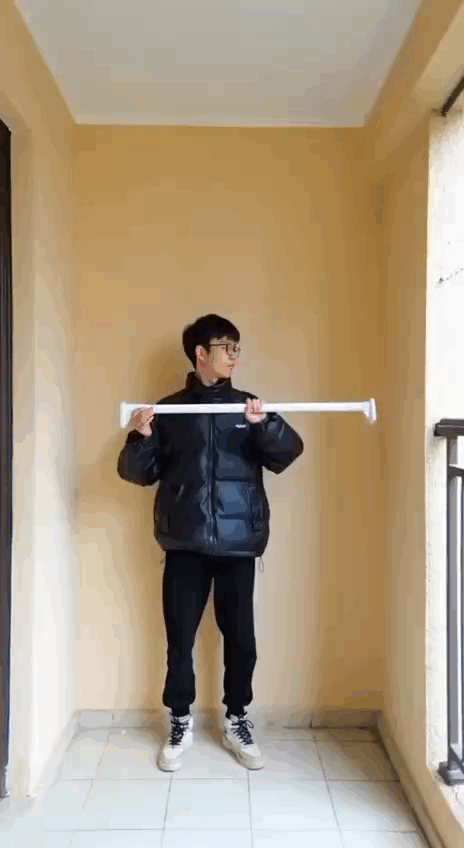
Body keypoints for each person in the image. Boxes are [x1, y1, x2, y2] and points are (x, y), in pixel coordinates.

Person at [117, 314, 304, 771]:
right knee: (179, 639)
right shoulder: (169, 411)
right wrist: (141, 436)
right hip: (184, 542)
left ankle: (237, 719)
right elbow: (136, 473)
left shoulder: (248, 407)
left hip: (239, 544)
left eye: (238, 348)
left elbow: (288, 454)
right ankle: (180, 720)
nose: (235, 356)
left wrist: (264, 426)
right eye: (227, 347)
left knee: (241, 639)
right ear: (201, 354)